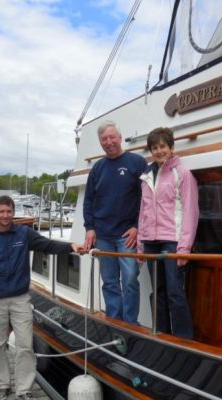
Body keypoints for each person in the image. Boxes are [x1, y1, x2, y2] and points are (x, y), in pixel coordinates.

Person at [0, 195, 83, 400]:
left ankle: (24, 390)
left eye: (9, 211)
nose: (5, 215)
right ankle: (2, 386)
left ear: (13, 212)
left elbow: (48, 245)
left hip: (20, 299)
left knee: (25, 344)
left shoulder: (24, 234)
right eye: (2, 212)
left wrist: (70, 247)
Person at [83, 120, 148, 324]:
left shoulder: (137, 163)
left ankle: (130, 324)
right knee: (109, 282)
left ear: (120, 138)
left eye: (112, 137)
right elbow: (89, 200)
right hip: (103, 235)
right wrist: (90, 228)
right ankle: (115, 321)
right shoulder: (97, 169)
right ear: (100, 143)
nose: (109, 142)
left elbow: (147, 199)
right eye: (104, 139)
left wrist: (138, 227)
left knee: (129, 280)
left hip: (126, 235)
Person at [137, 127, 199, 339]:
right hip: (151, 241)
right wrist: (140, 243)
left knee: (175, 292)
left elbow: (191, 211)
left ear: (171, 148)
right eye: (155, 147)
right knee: (158, 293)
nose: (159, 151)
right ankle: (162, 334)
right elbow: (142, 212)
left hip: (172, 241)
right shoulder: (146, 176)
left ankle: (184, 339)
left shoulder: (182, 174)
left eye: (163, 146)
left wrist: (184, 247)